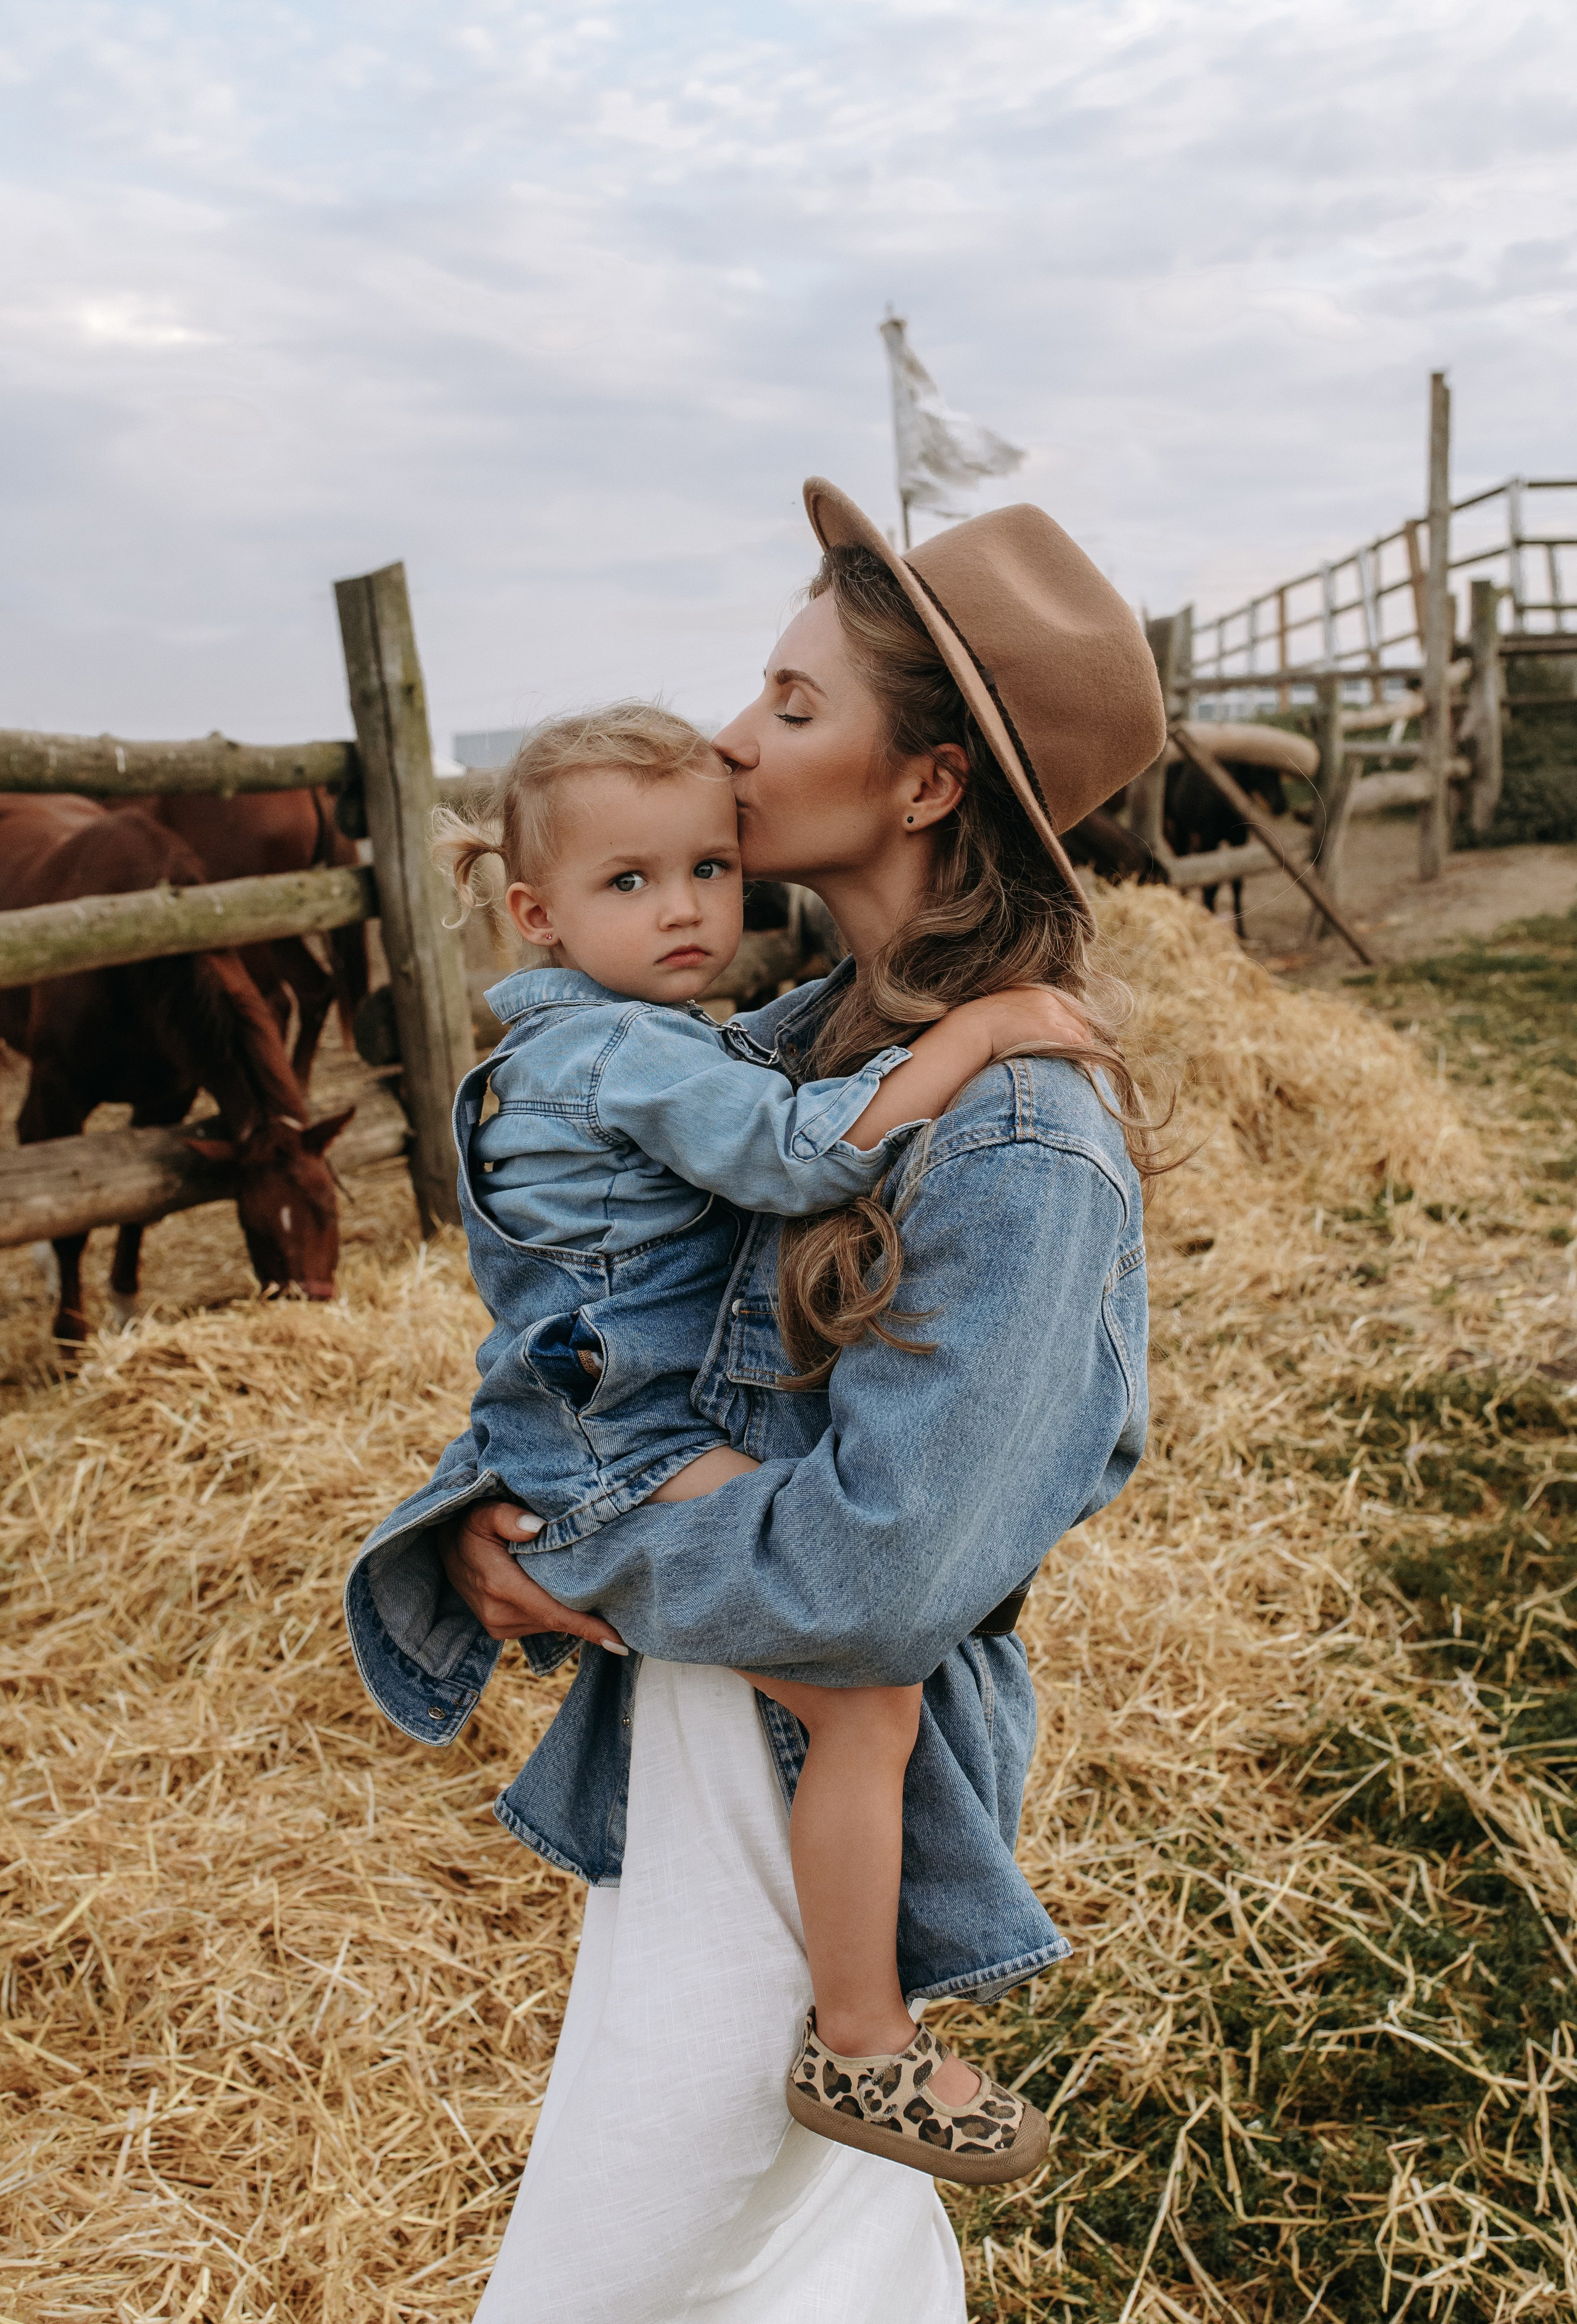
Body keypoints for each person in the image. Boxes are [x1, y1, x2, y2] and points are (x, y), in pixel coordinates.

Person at [344, 477, 1167, 2322]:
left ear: (928, 781)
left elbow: (877, 1579)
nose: (733, 735)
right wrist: (487, 1513)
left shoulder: (1023, 1130)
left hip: (792, 1788)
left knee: (611, 2275)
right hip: (719, 1764)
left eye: (795, 705)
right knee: (794, 2269)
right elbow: (595, 1329)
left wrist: (588, 1567)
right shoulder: (778, 1051)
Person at [418, 698, 1076, 2179]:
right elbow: (795, 1155)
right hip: (621, 1455)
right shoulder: (629, 1061)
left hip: (602, 1439)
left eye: (708, 870)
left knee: (858, 1691)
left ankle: (854, 2022)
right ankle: (863, 2046)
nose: (687, 911)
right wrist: (979, 1031)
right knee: (861, 1696)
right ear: (534, 913)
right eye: (629, 883)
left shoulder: (625, 1041)